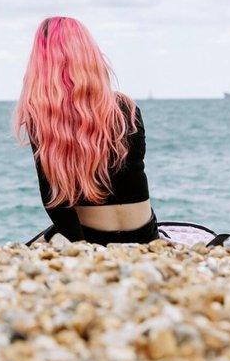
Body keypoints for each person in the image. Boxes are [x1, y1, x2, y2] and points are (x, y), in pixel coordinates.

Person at [15, 16, 155, 244]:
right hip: (144, 233)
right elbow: (131, 180)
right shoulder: (127, 108)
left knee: (31, 246)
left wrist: (81, 248)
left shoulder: (41, 117)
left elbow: (54, 202)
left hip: (92, 235)